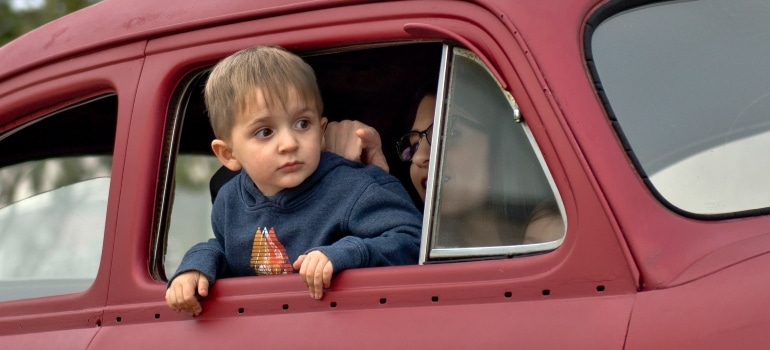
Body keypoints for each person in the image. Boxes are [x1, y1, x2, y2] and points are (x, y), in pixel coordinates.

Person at [165, 46, 422, 317]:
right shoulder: (229, 202)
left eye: (302, 124)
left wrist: (345, 254)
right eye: (265, 131)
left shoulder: (356, 187)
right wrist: (195, 267)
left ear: (321, 131)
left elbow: (413, 240)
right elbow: (229, 249)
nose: (289, 143)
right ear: (228, 154)